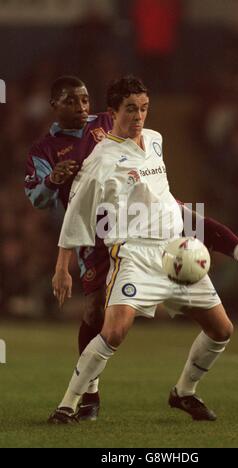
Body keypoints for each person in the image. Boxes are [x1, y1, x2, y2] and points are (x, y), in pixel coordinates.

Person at [48, 75, 238, 424]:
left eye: (143, 108)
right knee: (113, 332)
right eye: (130, 110)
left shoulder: (155, 141)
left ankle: (184, 392)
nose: (139, 116)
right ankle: (68, 403)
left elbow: (171, 203)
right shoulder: (100, 161)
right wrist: (62, 267)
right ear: (112, 112)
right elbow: (76, 213)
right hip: (134, 255)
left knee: (222, 330)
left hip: (177, 253)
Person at [24, 75, 113, 421]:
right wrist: (52, 179)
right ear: (54, 106)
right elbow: (37, 198)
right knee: (95, 310)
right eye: (72, 101)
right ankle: (90, 394)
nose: (82, 108)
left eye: (85, 100)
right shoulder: (43, 150)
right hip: (89, 234)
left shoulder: (106, 123)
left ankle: (186, 386)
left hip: (130, 223)